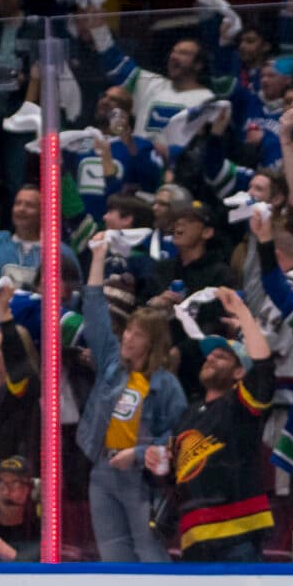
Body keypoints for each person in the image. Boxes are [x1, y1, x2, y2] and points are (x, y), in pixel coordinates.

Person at [78, 235, 187, 563]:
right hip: (102, 471)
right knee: (113, 556)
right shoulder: (113, 365)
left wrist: (139, 453)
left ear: (152, 342)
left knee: (151, 553)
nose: (126, 336)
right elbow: (95, 312)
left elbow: (178, 439)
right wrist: (98, 257)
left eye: (137, 334)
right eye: (128, 330)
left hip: (140, 479)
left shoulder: (166, 385)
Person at [166, 285, 277, 561]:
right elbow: (173, 479)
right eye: (210, 355)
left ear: (240, 371)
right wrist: (156, 466)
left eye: (222, 356)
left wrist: (241, 311)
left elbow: (263, 367)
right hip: (193, 538)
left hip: (238, 535)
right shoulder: (187, 415)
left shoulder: (240, 404)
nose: (211, 357)